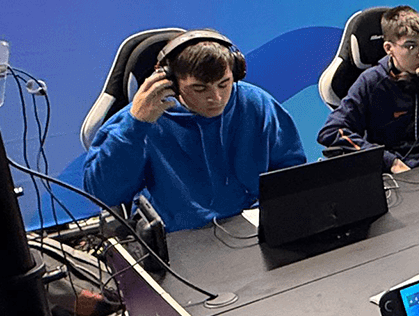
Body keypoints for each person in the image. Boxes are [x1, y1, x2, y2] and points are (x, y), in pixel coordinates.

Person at [84, 30, 306, 231]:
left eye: (224, 84)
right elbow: (105, 194)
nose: (216, 98)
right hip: (178, 236)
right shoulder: (142, 117)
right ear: (170, 83)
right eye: (199, 88)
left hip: (251, 225)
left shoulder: (256, 103)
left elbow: (291, 170)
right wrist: (136, 125)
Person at [317, 6, 419, 172]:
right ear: (389, 48)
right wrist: (390, 162)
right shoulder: (371, 82)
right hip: (396, 174)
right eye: (411, 46)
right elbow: (332, 131)